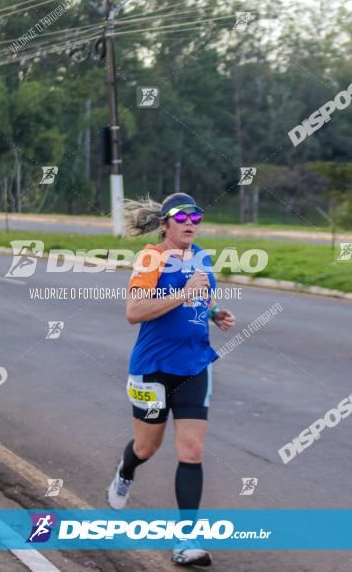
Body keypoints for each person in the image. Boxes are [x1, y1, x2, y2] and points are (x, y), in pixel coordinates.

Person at [106, 193, 236, 567]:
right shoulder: (151, 258)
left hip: (195, 364)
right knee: (146, 448)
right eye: (181, 217)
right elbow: (134, 311)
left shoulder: (202, 257)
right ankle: (125, 471)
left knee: (191, 452)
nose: (190, 222)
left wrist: (214, 313)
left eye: (195, 215)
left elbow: (201, 295)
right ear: (165, 224)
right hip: (153, 367)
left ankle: (187, 540)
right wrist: (182, 295)